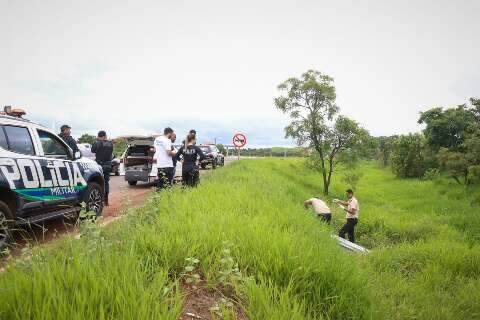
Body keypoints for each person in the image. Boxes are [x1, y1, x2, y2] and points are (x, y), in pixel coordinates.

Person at [91, 131, 114, 206]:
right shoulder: (110, 144)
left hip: (99, 165)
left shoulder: (97, 143)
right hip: (108, 165)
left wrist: (97, 140)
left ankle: (99, 200)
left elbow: (92, 150)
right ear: (104, 136)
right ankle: (106, 200)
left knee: (98, 182)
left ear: (99, 136)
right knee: (106, 182)